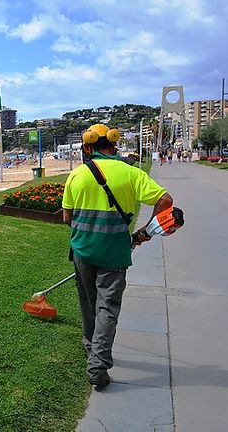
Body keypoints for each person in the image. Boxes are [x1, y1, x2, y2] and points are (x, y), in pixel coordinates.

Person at [62, 124, 173, 389]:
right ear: (114, 146)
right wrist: (145, 231)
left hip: (83, 250)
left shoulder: (77, 175)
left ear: (88, 148)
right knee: (107, 307)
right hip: (115, 252)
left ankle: (91, 349)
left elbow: (67, 218)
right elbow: (165, 200)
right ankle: (98, 364)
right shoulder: (131, 173)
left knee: (89, 303)